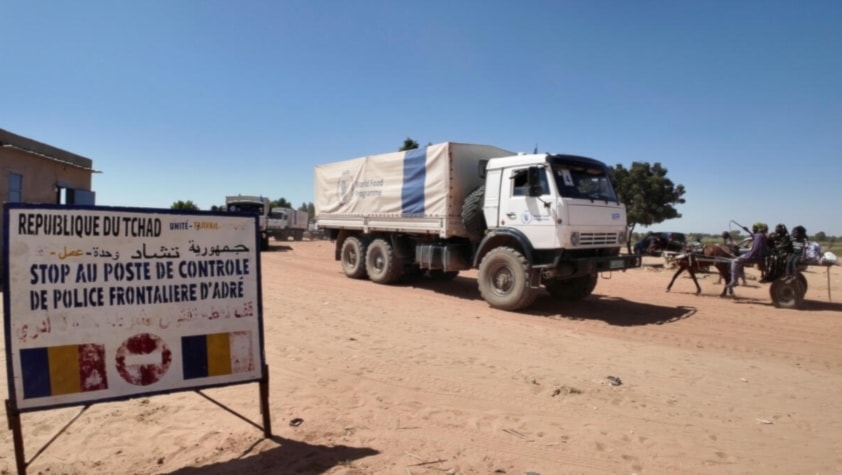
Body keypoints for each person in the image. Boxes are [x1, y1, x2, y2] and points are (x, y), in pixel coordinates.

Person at [729, 223, 769, 290]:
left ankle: (734, 281)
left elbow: (755, 249)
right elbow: (754, 236)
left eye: (754, 228)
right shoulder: (760, 235)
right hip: (756, 256)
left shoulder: (758, 236)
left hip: (754, 256)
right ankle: (739, 279)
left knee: (735, 261)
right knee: (739, 261)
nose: (752, 229)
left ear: (758, 228)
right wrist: (747, 230)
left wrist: (748, 256)